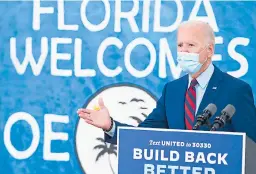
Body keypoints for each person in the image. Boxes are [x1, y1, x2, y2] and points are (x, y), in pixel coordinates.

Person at [77, 20, 256, 145]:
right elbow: (145, 136)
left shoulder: (236, 90)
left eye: (191, 45)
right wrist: (110, 126)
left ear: (209, 50)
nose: (184, 51)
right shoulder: (173, 90)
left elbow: (251, 147)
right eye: (180, 45)